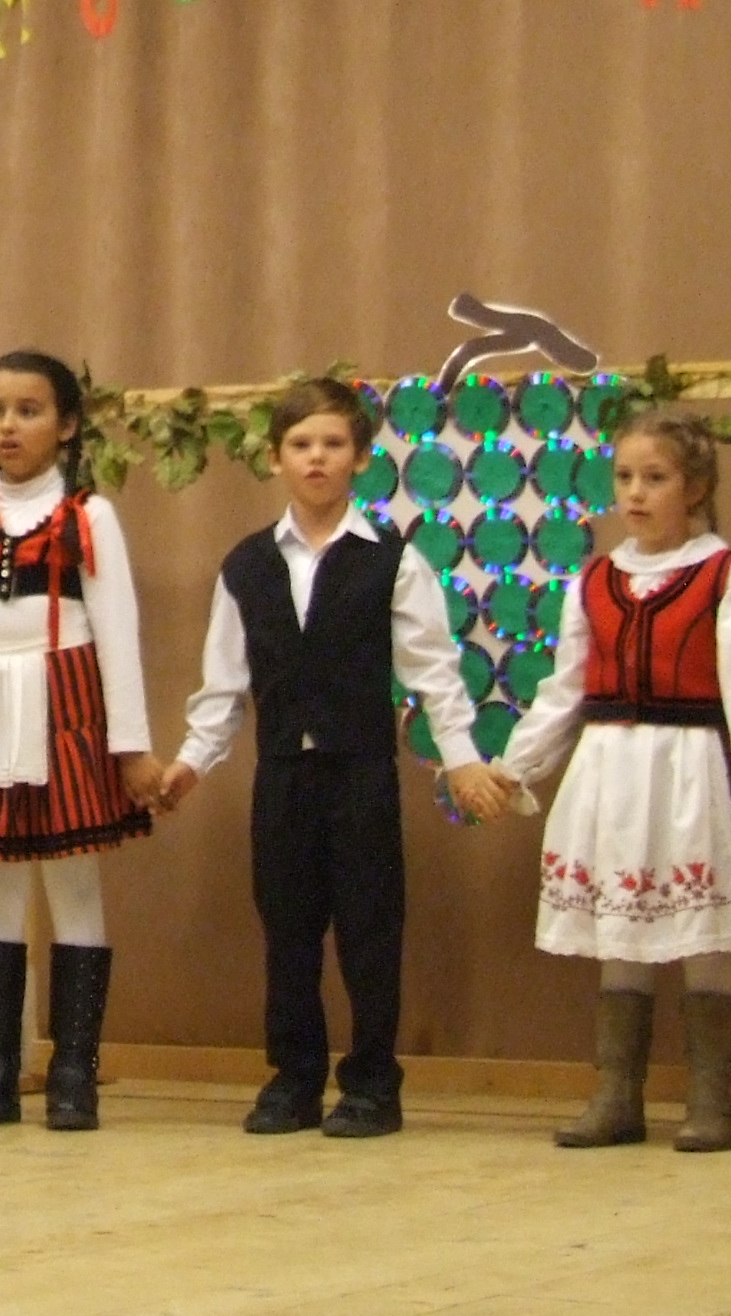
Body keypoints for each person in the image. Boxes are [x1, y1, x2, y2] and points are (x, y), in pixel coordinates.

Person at [162, 377, 512, 1139]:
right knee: (288, 932)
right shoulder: (247, 565)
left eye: (332, 444)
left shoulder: (392, 561)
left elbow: (433, 673)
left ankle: (373, 1084)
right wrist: (190, 762)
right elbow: (224, 685)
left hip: (361, 775)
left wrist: (461, 759)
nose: (316, 458)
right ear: (276, 458)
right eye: (300, 444)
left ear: (359, 457)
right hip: (283, 777)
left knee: (369, 931)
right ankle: (293, 1079)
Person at [496, 404, 731, 1154]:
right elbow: (565, 689)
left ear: (696, 487)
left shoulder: (728, 580)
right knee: (621, 930)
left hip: (691, 772)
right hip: (610, 773)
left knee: (701, 937)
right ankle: (616, 1096)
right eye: (625, 478)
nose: (635, 493)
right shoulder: (595, 582)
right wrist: (516, 766)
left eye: (656, 478)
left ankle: (712, 1100)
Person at [0, 350, 162, 1133]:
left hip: (67, 704)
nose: (9, 426)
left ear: (65, 425)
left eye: (28, 411)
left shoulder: (88, 517)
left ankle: (73, 1074)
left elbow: (118, 632)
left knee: (73, 883)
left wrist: (129, 745)